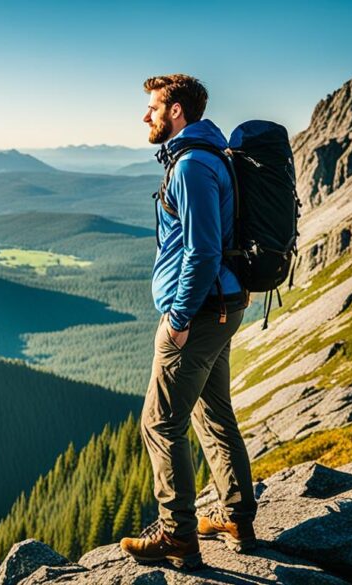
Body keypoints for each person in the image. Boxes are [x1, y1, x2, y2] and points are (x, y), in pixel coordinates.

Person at [119, 74, 258, 569]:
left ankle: (177, 535)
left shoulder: (193, 165)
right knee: (212, 413)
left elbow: (202, 250)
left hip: (198, 312)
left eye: (153, 107)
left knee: (159, 424)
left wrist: (177, 316)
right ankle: (236, 518)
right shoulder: (207, 155)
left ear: (176, 110)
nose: (146, 116)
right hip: (221, 306)